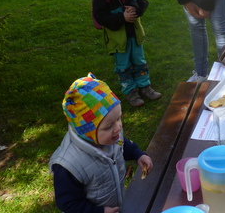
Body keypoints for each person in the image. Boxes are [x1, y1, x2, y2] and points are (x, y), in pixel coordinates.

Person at [49, 73, 153, 213]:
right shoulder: (68, 166)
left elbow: (122, 144)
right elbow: (68, 204)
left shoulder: (111, 136)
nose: (118, 127)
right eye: (108, 126)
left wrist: (137, 154)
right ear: (87, 131)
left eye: (118, 118)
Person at [89, 0, 161, 107]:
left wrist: (135, 8)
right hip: (118, 40)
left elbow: (141, 1)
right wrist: (122, 17)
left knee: (139, 62)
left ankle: (145, 86)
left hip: (134, 35)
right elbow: (101, 17)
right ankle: (131, 92)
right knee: (123, 67)